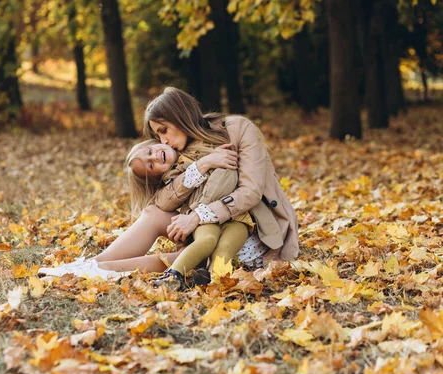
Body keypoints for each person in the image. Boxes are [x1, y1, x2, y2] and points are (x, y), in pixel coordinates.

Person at [37, 87, 299, 281]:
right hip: (208, 222)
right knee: (153, 216)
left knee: (198, 254)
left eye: (163, 130)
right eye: (157, 135)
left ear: (179, 117)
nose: (161, 141)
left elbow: (251, 193)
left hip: (250, 227)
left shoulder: (238, 129)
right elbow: (159, 202)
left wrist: (197, 216)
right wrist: (201, 166)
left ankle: (99, 272)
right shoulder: (181, 150)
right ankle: (87, 265)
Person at [124, 138, 263, 291]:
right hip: (203, 219)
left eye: (150, 151)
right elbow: (166, 199)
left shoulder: (202, 150)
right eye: (151, 165)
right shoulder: (173, 179)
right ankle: (172, 276)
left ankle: (215, 282)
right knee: (207, 240)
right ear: (156, 176)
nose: (154, 157)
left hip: (237, 216)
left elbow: (233, 178)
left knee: (226, 247)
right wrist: (200, 168)